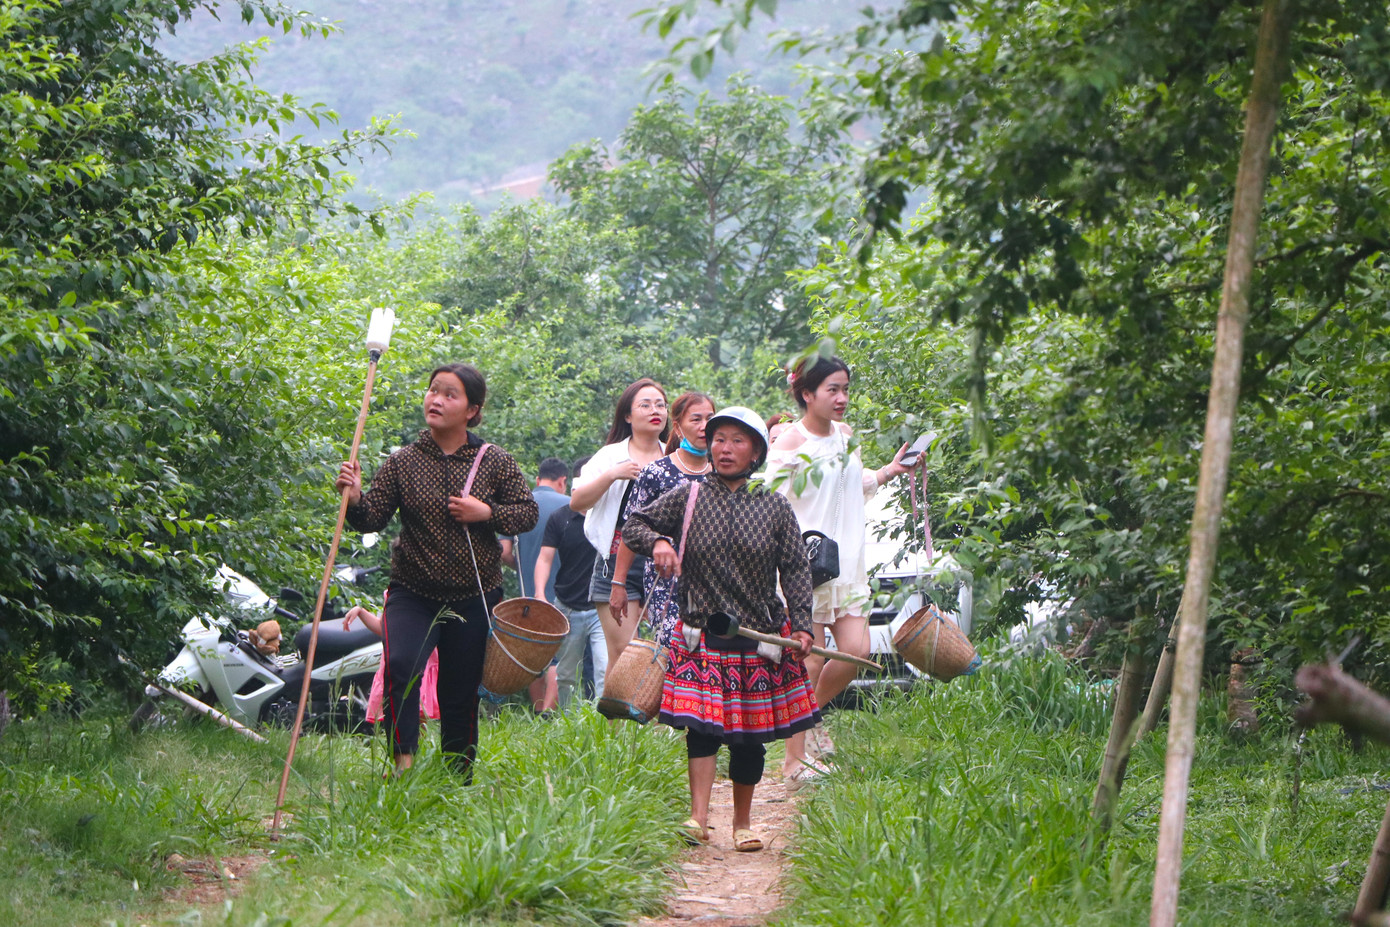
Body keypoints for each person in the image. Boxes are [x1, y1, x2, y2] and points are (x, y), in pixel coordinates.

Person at [624, 407, 820, 852]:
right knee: (704, 730)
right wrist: (658, 542)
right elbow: (635, 523)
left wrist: (804, 625)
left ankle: (743, 824)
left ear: (755, 452)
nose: (725, 448)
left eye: (737, 440)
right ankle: (697, 818)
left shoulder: (773, 505)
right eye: (719, 439)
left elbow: (795, 569)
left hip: (759, 638)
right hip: (700, 631)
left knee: (748, 736)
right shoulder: (689, 495)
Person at [338, 362, 538, 778]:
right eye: (433, 390)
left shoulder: (494, 461)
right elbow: (371, 518)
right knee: (401, 666)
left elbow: (527, 514)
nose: (436, 399)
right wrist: (356, 498)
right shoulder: (403, 461)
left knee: (459, 690)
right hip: (412, 589)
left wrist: (487, 512)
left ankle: (456, 775)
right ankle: (403, 765)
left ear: (471, 409)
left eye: (450, 394)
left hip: (474, 592)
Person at [765, 355, 920, 782]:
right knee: (808, 661)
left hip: (847, 565)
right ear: (806, 393)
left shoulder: (847, 435)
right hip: (802, 568)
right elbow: (768, 506)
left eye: (845, 389)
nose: (842, 398)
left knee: (857, 652)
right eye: (832, 389)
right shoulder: (789, 444)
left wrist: (889, 470)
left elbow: (851, 485)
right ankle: (794, 761)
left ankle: (805, 719)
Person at [569, 378, 670, 668]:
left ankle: (653, 714)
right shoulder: (610, 456)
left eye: (661, 405)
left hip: (664, 561)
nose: (656, 410)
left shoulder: (673, 457)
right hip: (614, 561)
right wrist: (612, 474)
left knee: (664, 652)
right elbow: (577, 502)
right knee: (625, 653)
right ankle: (614, 715)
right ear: (628, 415)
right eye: (646, 404)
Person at [609, 391, 715, 649]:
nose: (704, 427)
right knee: (672, 651)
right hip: (667, 581)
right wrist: (618, 583)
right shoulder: (656, 473)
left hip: (715, 581)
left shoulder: (724, 473)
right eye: (696, 420)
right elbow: (632, 528)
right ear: (677, 426)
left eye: (710, 420)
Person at [499, 456, 570, 713]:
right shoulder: (570, 505)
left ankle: (539, 710)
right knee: (557, 656)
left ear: (538, 480)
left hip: (529, 592)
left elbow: (504, 551)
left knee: (534, 653)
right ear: (563, 481)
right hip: (562, 591)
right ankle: (550, 714)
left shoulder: (518, 505)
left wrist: (524, 566)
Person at [534, 456, 605, 708]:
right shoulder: (560, 517)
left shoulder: (607, 516)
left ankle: (605, 728)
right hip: (567, 606)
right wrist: (540, 593)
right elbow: (545, 558)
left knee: (604, 670)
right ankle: (568, 724)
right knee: (565, 675)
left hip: (601, 607)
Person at [342, 598, 439, 724]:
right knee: (400, 717)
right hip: (398, 661)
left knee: (416, 717)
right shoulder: (394, 593)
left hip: (419, 660)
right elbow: (384, 628)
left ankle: (414, 742)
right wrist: (360, 612)